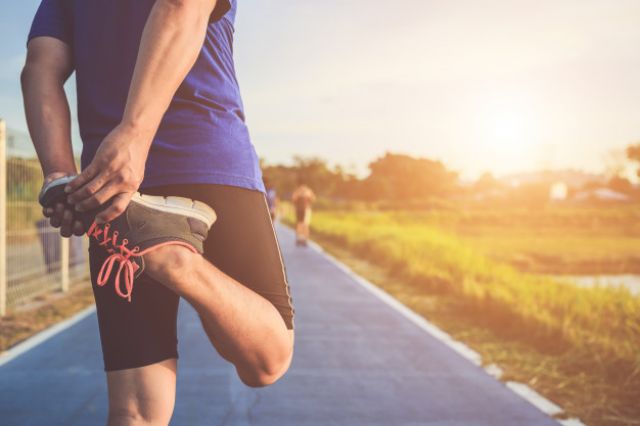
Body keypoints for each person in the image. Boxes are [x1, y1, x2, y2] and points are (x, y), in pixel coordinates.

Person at [22, 0, 295, 424]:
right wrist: (135, 133)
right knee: (267, 361)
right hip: (207, 158)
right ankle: (175, 261)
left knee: (136, 410)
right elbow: (181, 4)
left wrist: (59, 174)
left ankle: (160, 251)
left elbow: (40, 67)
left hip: (111, 187)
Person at [291, 180, 316, 246]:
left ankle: (305, 239)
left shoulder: (308, 191)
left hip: (306, 210)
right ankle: (299, 239)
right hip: (299, 209)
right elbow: (293, 199)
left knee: (305, 225)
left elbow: (313, 199)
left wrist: (307, 196)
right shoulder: (298, 191)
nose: (302, 188)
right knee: (299, 224)